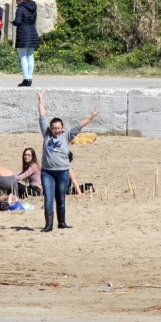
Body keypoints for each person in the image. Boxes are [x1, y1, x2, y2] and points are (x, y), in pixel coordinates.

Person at [37, 90, 100, 232]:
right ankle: (48, 225)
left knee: (61, 197)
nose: (56, 130)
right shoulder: (46, 134)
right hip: (47, 172)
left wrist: (92, 116)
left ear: (62, 127)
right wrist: (40, 100)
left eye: (58, 128)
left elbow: (79, 126)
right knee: (48, 198)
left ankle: (62, 222)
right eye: (54, 128)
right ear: (50, 129)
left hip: (63, 172)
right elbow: (42, 117)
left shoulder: (66, 136)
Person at [11, 0, 40, 87]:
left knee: (23, 57)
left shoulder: (20, 8)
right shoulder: (33, 7)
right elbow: (34, 19)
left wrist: (13, 22)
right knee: (30, 57)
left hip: (23, 33)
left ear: (19, 0)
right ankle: (30, 79)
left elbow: (18, 21)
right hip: (33, 32)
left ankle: (25, 79)